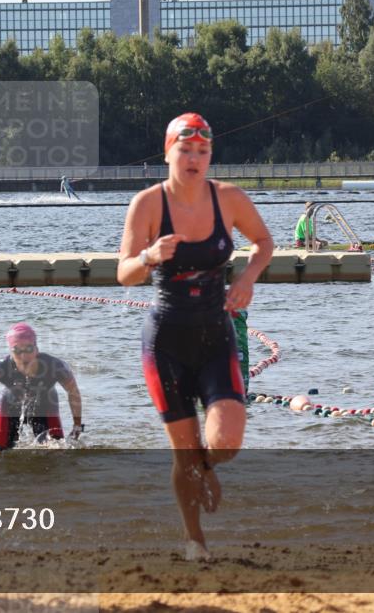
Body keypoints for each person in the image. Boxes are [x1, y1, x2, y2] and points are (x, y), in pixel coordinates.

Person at [117, 112, 273, 561]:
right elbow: (124, 275)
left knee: (225, 445)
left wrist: (246, 279)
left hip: (215, 336)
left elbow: (264, 242)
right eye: (185, 150)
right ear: (167, 152)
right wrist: (148, 255)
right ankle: (194, 540)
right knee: (183, 454)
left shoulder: (228, 199)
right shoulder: (147, 204)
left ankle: (208, 467)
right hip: (165, 341)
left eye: (203, 152)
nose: (194, 159)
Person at [0, 323, 83, 450]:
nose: (24, 356)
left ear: (36, 349)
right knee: (0, 453)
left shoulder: (56, 367)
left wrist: (77, 425)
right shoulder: (1, 367)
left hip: (46, 407)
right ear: (11, 352)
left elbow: (73, 392)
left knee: (55, 453)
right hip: (9, 408)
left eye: (28, 349)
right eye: (17, 350)